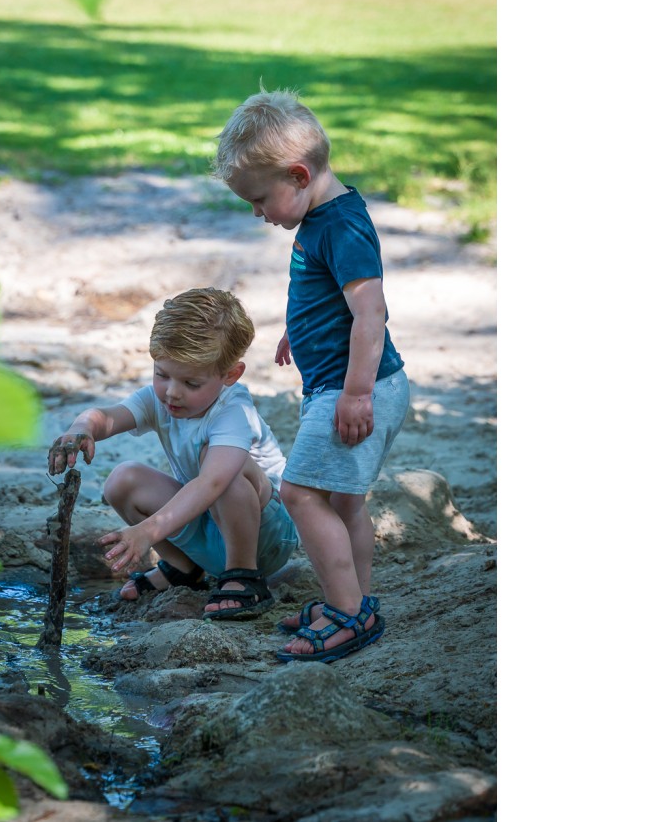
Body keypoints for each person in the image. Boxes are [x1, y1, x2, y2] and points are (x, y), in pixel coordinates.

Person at [212, 88, 410, 662]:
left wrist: (355, 393)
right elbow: (335, 299)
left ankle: (350, 616)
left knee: (299, 493)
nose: (257, 212)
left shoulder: (341, 226)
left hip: (355, 388)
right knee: (344, 504)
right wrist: (300, 328)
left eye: (259, 199)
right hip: (348, 383)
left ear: (298, 176)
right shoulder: (323, 215)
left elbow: (370, 312)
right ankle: (354, 600)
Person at [47, 287, 299, 619]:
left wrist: (146, 532)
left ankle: (243, 577)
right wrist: (83, 428)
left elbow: (211, 484)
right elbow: (107, 417)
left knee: (228, 472)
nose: (172, 393)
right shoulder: (160, 399)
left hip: (264, 537)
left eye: (191, 383)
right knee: (123, 479)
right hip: (209, 522)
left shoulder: (232, 413)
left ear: (230, 375)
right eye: (161, 375)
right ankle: (184, 569)